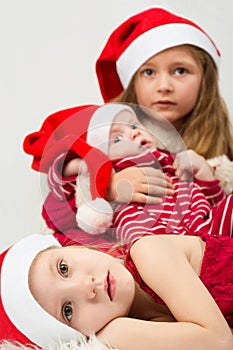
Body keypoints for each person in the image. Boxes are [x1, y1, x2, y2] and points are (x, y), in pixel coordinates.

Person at [1, 233, 233, 350]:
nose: (87, 286)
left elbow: (221, 341)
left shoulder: (149, 252)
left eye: (64, 268)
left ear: (76, 248)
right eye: (68, 310)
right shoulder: (144, 336)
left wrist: (118, 333)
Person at [95, 7, 233, 200]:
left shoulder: (226, 156)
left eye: (180, 71)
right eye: (149, 72)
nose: (164, 86)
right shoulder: (110, 139)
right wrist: (108, 189)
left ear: (206, 79)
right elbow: (60, 215)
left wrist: (212, 183)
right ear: (133, 83)